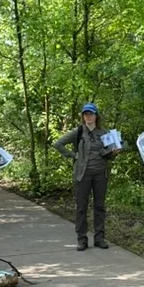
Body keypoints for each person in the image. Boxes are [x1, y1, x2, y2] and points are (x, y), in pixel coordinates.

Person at [54, 103, 119, 251]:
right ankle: (82, 239)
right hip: (82, 175)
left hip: (100, 174)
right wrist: (73, 155)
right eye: (85, 114)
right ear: (83, 117)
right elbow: (58, 144)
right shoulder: (78, 132)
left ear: (96, 115)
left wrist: (114, 152)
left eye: (91, 114)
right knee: (81, 208)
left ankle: (99, 238)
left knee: (99, 206)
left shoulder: (104, 133)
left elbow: (109, 155)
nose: (88, 116)